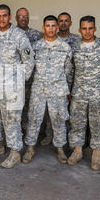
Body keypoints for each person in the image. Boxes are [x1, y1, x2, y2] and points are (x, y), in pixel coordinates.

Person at [0, 4, 35, 169]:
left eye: (5, 15)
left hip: (12, 87)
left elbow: (29, 60)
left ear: (10, 17)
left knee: (12, 120)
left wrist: (19, 82)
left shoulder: (19, 35)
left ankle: (15, 152)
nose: (1, 19)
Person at [67, 16, 100, 170]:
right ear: (79, 30)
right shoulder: (74, 47)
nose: (87, 32)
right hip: (78, 93)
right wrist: (68, 90)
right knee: (77, 123)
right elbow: (70, 71)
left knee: (98, 124)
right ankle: (77, 151)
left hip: (98, 94)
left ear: (95, 29)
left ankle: (96, 153)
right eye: (84, 28)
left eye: (90, 28)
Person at [24, 15, 73, 164]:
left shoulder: (65, 47)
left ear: (57, 27)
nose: (50, 28)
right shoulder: (36, 46)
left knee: (58, 120)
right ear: (43, 27)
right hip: (39, 89)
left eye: (53, 25)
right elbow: (29, 69)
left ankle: (60, 149)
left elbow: (68, 71)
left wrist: (67, 90)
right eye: (48, 25)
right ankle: (30, 148)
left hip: (58, 90)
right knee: (33, 118)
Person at [15, 7, 42, 132]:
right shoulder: (12, 33)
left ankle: (28, 131)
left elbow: (36, 56)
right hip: (14, 78)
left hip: (30, 78)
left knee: (29, 106)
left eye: (26, 16)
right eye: (21, 16)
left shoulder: (35, 34)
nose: (23, 19)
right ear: (16, 18)